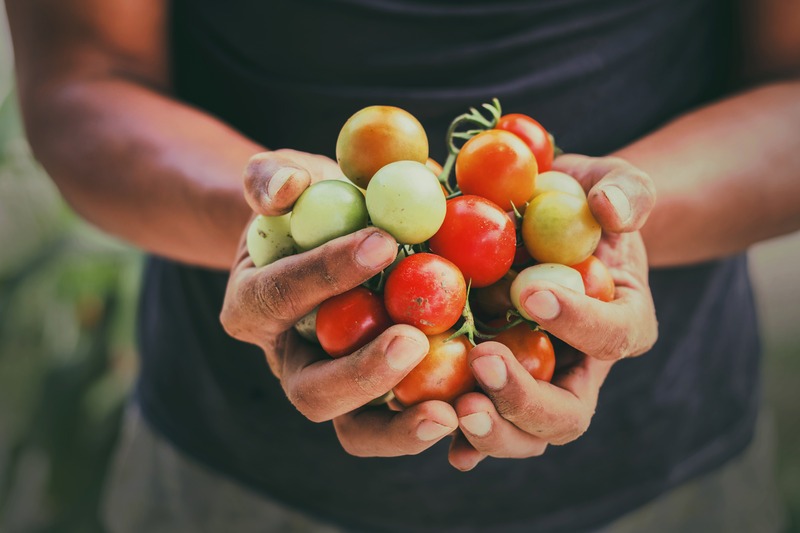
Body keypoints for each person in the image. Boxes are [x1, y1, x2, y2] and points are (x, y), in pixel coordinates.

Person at [6, 0, 799, 531]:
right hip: (235, 477)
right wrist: (275, 225)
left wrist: (625, 222)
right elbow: (85, 78)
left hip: (673, 472)